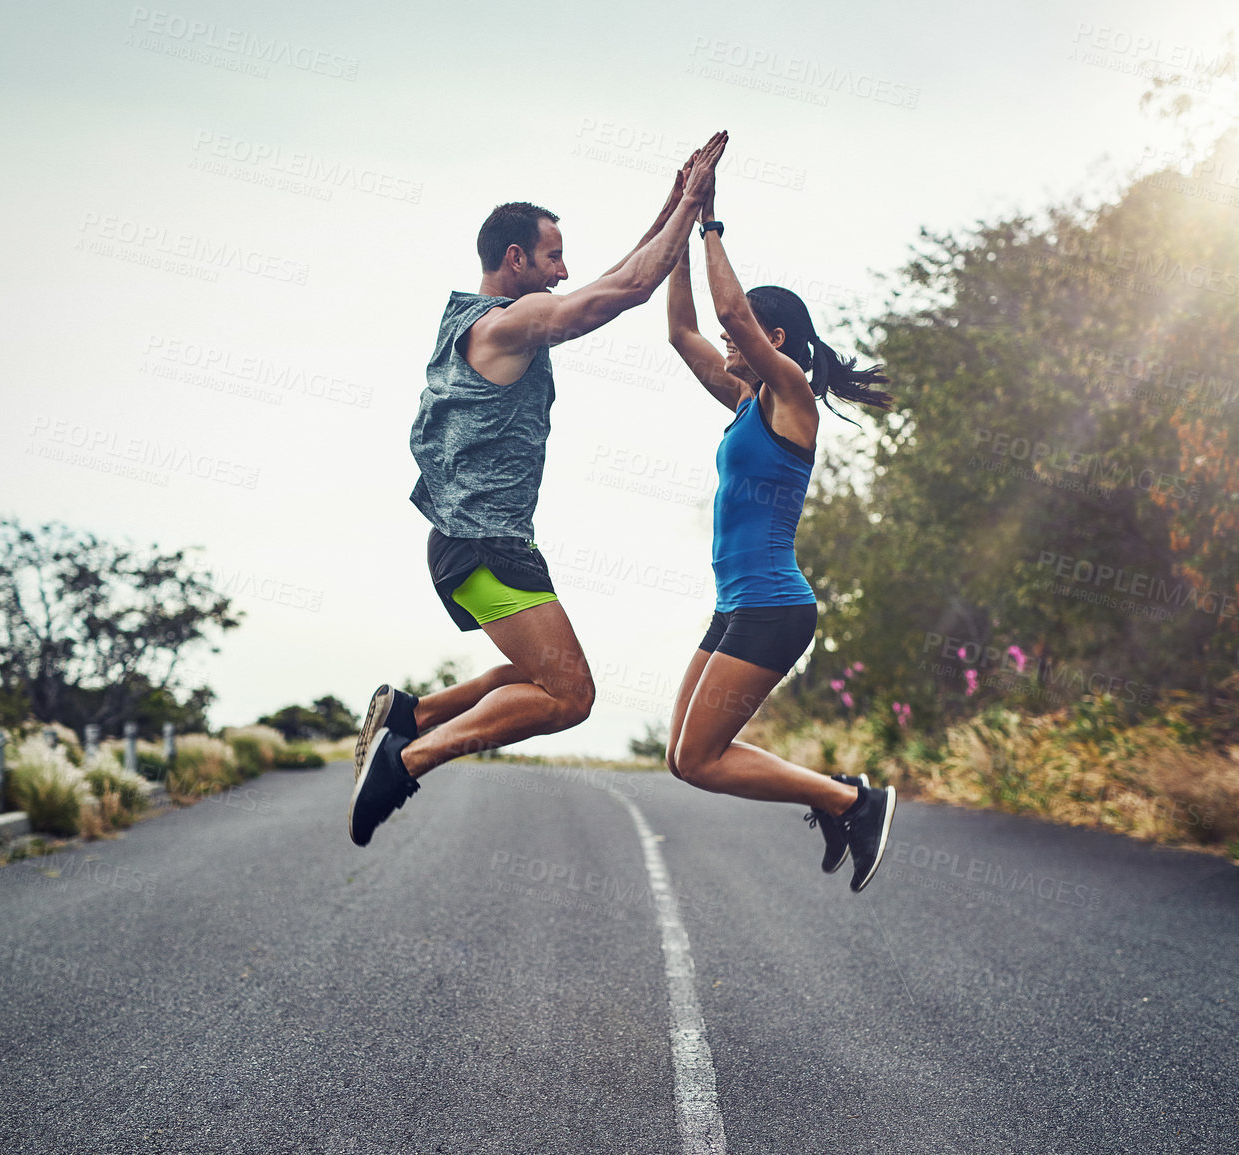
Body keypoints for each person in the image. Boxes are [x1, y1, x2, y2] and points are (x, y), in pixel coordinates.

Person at [348, 132, 730, 846]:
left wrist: (676, 204)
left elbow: (619, 275)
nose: (564, 269)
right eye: (553, 255)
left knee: (529, 675)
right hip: (483, 543)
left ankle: (412, 714)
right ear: (516, 258)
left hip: (478, 541)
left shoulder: (472, 316)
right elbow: (624, 292)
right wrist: (691, 206)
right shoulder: (508, 323)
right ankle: (407, 758)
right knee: (568, 696)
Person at [661, 156, 899, 892]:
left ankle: (850, 800)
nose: (731, 347)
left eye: (748, 339)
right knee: (680, 757)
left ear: (776, 339)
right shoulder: (743, 403)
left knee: (703, 758)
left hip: (772, 606)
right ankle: (836, 801)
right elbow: (681, 330)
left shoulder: (789, 396)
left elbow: (729, 315)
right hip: (734, 606)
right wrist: (676, 221)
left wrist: (709, 221)